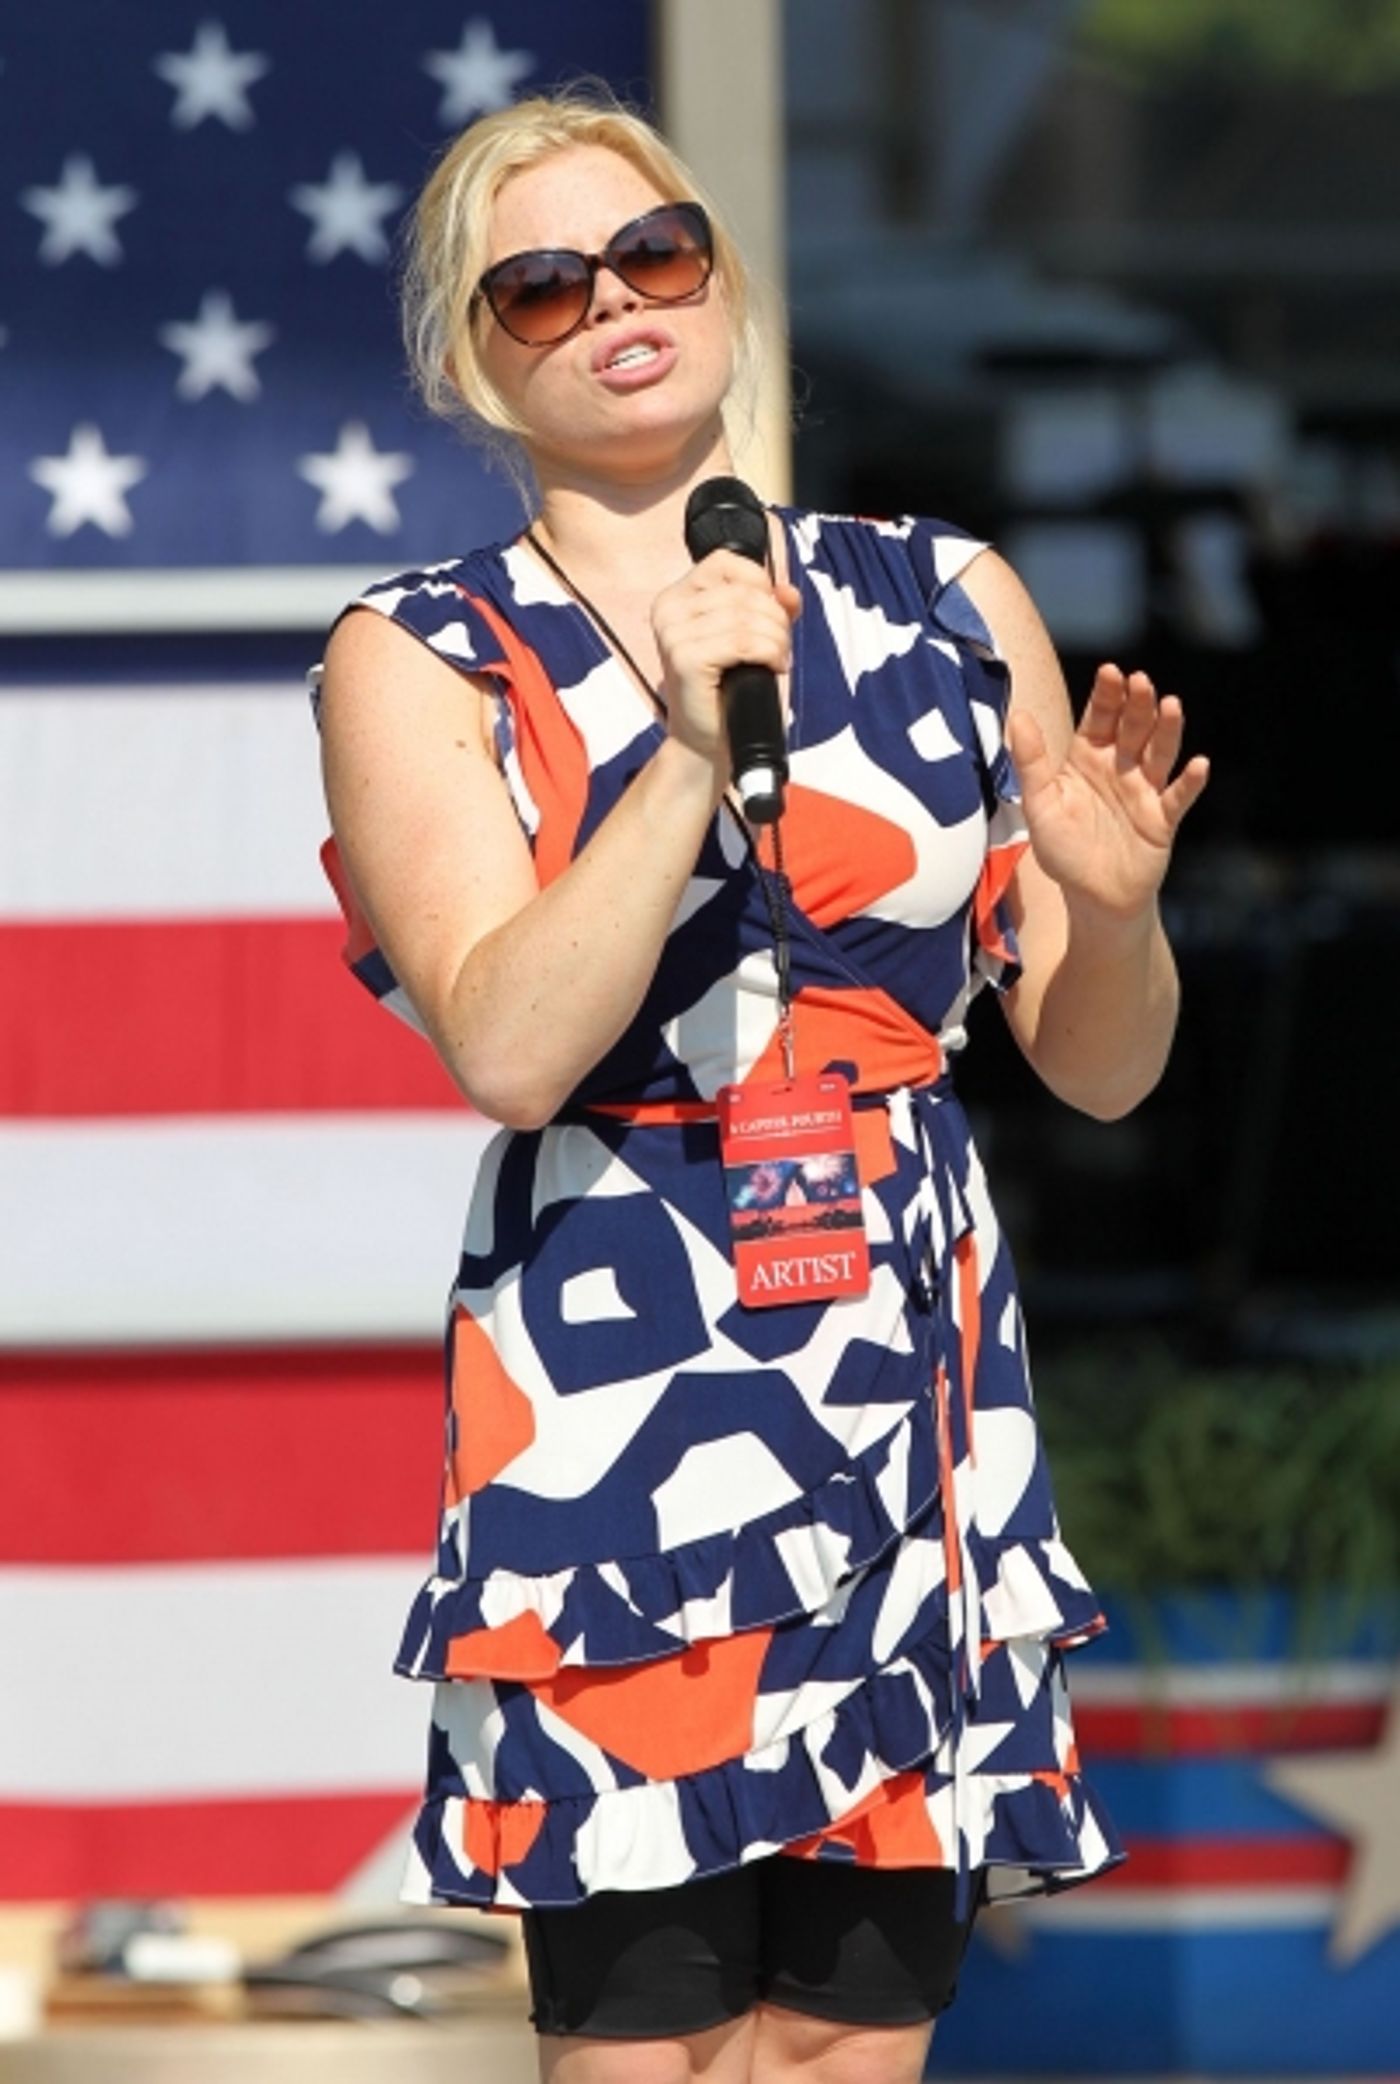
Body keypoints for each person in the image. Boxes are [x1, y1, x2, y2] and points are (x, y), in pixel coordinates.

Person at [314, 86, 1208, 2084]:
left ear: (723, 282)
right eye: (544, 285)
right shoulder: (421, 652)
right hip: (623, 1397)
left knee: (841, 2048)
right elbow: (509, 1043)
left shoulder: (944, 597)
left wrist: (1115, 908)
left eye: (656, 255)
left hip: (901, 1365)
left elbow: (1101, 1069)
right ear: (474, 357)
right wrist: (687, 751)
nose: (616, 305)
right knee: (654, 2050)